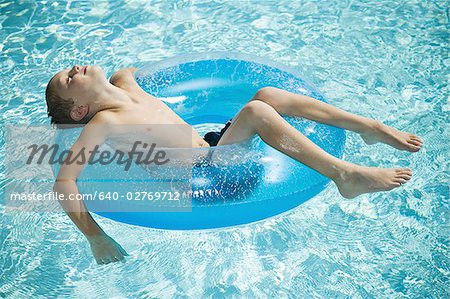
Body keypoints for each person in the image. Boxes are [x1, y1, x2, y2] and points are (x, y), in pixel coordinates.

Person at [45, 65, 423, 264]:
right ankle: (345, 175)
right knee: (257, 111)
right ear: (80, 109)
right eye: (68, 78)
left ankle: (369, 128)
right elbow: (65, 181)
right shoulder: (102, 123)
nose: (73, 68)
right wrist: (94, 236)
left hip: (212, 147)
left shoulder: (124, 82)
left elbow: (137, 72)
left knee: (267, 94)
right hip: (203, 176)